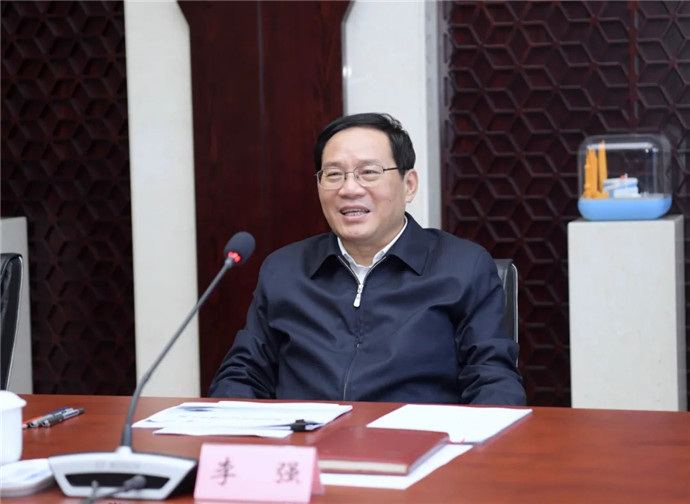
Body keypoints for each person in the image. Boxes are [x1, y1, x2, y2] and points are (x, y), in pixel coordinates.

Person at [209, 112, 526, 405]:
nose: (349, 189)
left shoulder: (462, 267)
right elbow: (242, 374)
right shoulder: (285, 270)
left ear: (409, 185)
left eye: (368, 172)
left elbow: (493, 381)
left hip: (415, 442)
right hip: (306, 442)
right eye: (334, 174)